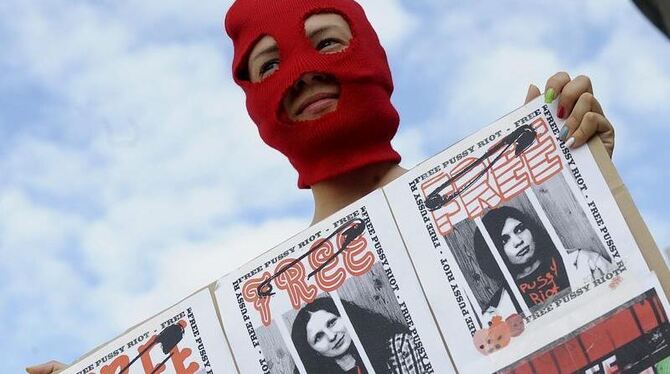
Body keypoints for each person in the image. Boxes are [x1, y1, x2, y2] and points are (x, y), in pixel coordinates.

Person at [27, 0, 618, 372]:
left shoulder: (507, 193)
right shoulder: (247, 323)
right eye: (268, 66)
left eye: (327, 41)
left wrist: (591, 174)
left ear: (371, 55)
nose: (304, 71)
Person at [474, 206, 612, 319]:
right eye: (504, 240)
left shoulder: (586, 262)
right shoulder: (498, 312)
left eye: (519, 229)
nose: (518, 241)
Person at [291, 297, 428, 374]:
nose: (332, 336)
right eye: (318, 337)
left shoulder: (400, 347)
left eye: (332, 322)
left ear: (346, 317)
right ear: (313, 352)